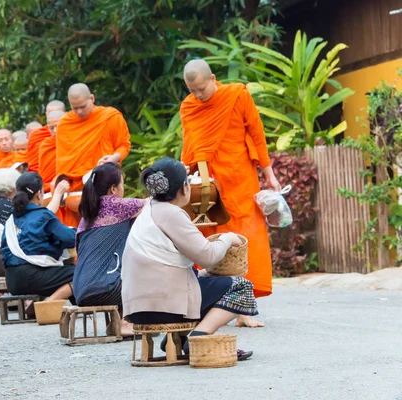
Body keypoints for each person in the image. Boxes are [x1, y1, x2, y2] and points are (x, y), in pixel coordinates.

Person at [121, 158, 256, 360]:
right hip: (163, 307)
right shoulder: (171, 214)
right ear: (184, 187)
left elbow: (166, 262)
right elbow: (208, 256)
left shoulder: (148, 210)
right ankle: (198, 338)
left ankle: (180, 337)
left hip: (139, 307)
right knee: (241, 286)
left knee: (206, 280)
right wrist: (227, 238)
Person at [180, 59, 280, 327]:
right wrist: (185, 179)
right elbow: (189, 144)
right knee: (212, 238)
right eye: (193, 91)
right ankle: (221, 304)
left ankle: (245, 306)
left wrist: (268, 173)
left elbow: (257, 133)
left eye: (202, 89)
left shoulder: (236, 95)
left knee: (248, 238)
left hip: (240, 178)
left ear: (212, 78)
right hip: (209, 183)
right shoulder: (189, 106)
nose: (198, 95)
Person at [74, 163, 145, 336]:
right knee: (149, 276)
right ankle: (124, 322)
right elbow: (158, 204)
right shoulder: (117, 205)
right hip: (104, 289)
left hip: (80, 289)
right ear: (113, 189)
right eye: (121, 183)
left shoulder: (87, 214)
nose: (123, 188)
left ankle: (117, 322)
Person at [55, 83, 131, 226]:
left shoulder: (109, 117)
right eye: (74, 107)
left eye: (83, 106)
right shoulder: (65, 124)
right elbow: (62, 160)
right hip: (76, 189)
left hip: (104, 184)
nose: (79, 111)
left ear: (92, 98)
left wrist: (114, 158)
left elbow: (124, 145)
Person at [1, 172, 75, 301]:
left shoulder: (10, 220)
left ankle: (33, 306)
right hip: (33, 277)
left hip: (12, 281)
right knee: (80, 272)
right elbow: (71, 239)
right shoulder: (43, 216)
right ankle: (48, 303)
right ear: (39, 194)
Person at [27, 100, 65, 173]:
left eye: (57, 112)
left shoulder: (74, 133)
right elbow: (34, 165)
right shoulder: (37, 135)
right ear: (46, 114)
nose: (53, 115)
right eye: (50, 113)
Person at [38, 110, 64, 193]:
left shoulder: (75, 141)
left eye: (58, 126)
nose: (55, 131)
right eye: (51, 128)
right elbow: (43, 173)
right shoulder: (45, 145)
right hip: (48, 190)